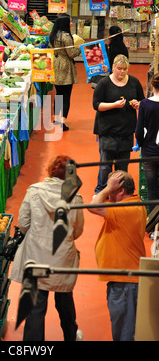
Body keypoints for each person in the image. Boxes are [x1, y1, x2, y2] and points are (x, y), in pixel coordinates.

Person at [10, 154, 84, 341]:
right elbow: (77, 230)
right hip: (62, 257)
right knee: (65, 298)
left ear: (51, 171)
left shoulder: (34, 191)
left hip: (36, 255)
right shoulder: (75, 198)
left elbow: (24, 223)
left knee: (35, 305)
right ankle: (71, 335)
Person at [89, 170, 147, 341]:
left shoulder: (126, 209)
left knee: (124, 333)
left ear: (120, 191)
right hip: (124, 281)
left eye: (111, 192)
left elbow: (93, 206)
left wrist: (106, 189)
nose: (108, 196)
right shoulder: (134, 204)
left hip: (125, 283)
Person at [92, 54, 145, 195]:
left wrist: (137, 104)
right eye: (119, 68)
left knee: (122, 166)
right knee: (105, 166)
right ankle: (101, 191)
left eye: (125, 69)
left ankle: (119, 191)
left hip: (126, 130)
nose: (122, 72)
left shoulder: (134, 82)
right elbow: (96, 105)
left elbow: (142, 101)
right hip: (107, 130)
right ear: (113, 68)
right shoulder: (104, 83)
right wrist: (113, 105)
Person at [49, 13, 83, 130]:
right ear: (65, 23)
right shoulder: (66, 37)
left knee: (58, 94)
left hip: (56, 63)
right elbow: (71, 54)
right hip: (65, 66)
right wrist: (80, 48)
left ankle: (56, 120)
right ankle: (62, 122)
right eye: (70, 21)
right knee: (66, 95)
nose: (71, 23)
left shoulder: (54, 35)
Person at [135, 73, 159, 210]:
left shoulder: (144, 104)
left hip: (149, 151)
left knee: (151, 189)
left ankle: (153, 225)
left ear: (151, 86)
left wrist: (142, 143)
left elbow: (139, 130)